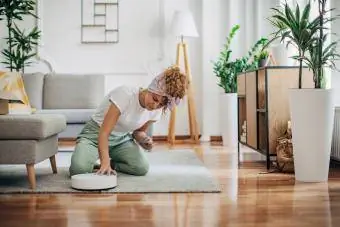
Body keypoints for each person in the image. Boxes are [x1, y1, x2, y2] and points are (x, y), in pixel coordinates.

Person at [69, 65, 188, 176]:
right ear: (151, 88)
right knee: (78, 170)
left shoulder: (156, 110)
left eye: (160, 105)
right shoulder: (125, 94)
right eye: (155, 99)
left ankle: (111, 164)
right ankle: (98, 162)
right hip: (95, 135)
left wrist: (145, 140)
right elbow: (104, 132)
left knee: (141, 168)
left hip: (121, 139)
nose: (154, 106)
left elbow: (138, 132)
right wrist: (104, 162)